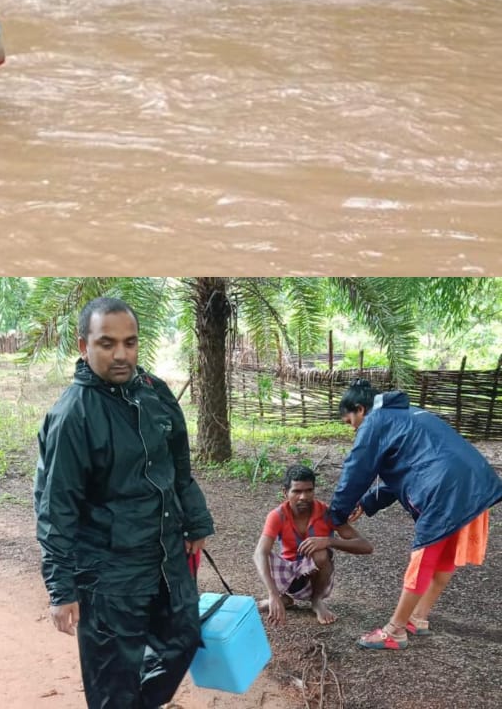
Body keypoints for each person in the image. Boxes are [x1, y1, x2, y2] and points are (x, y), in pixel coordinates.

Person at [34, 297, 214, 709]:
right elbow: (55, 509)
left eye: (130, 343)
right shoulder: (73, 416)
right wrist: (61, 591)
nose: (121, 354)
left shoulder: (154, 393)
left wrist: (196, 521)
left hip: (166, 558)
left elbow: (178, 468)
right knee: (113, 682)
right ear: (83, 346)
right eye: (107, 343)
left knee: (184, 639)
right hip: (108, 574)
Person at [326, 378, 502, 650]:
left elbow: (356, 471)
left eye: (350, 422)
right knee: (444, 554)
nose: (353, 429)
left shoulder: (375, 421)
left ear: (360, 409)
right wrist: (370, 502)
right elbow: (411, 468)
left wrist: (336, 515)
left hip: (444, 489)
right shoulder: (406, 413)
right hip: (474, 482)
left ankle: (395, 630)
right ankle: (418, 617)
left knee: (423, 557)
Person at [254, 463, 372, 626]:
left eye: (309, 490)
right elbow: (259, 553)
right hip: (288, 576)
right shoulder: (277, 515)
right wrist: (272, 593)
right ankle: (282, 597)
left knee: (321, 553)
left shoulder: (327, 513)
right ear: (285, 492)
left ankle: (316, 601)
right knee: (263, 555)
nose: (303, 496)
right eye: (297, 491)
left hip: (316, 578)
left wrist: (329, 541)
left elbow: (366, 546)